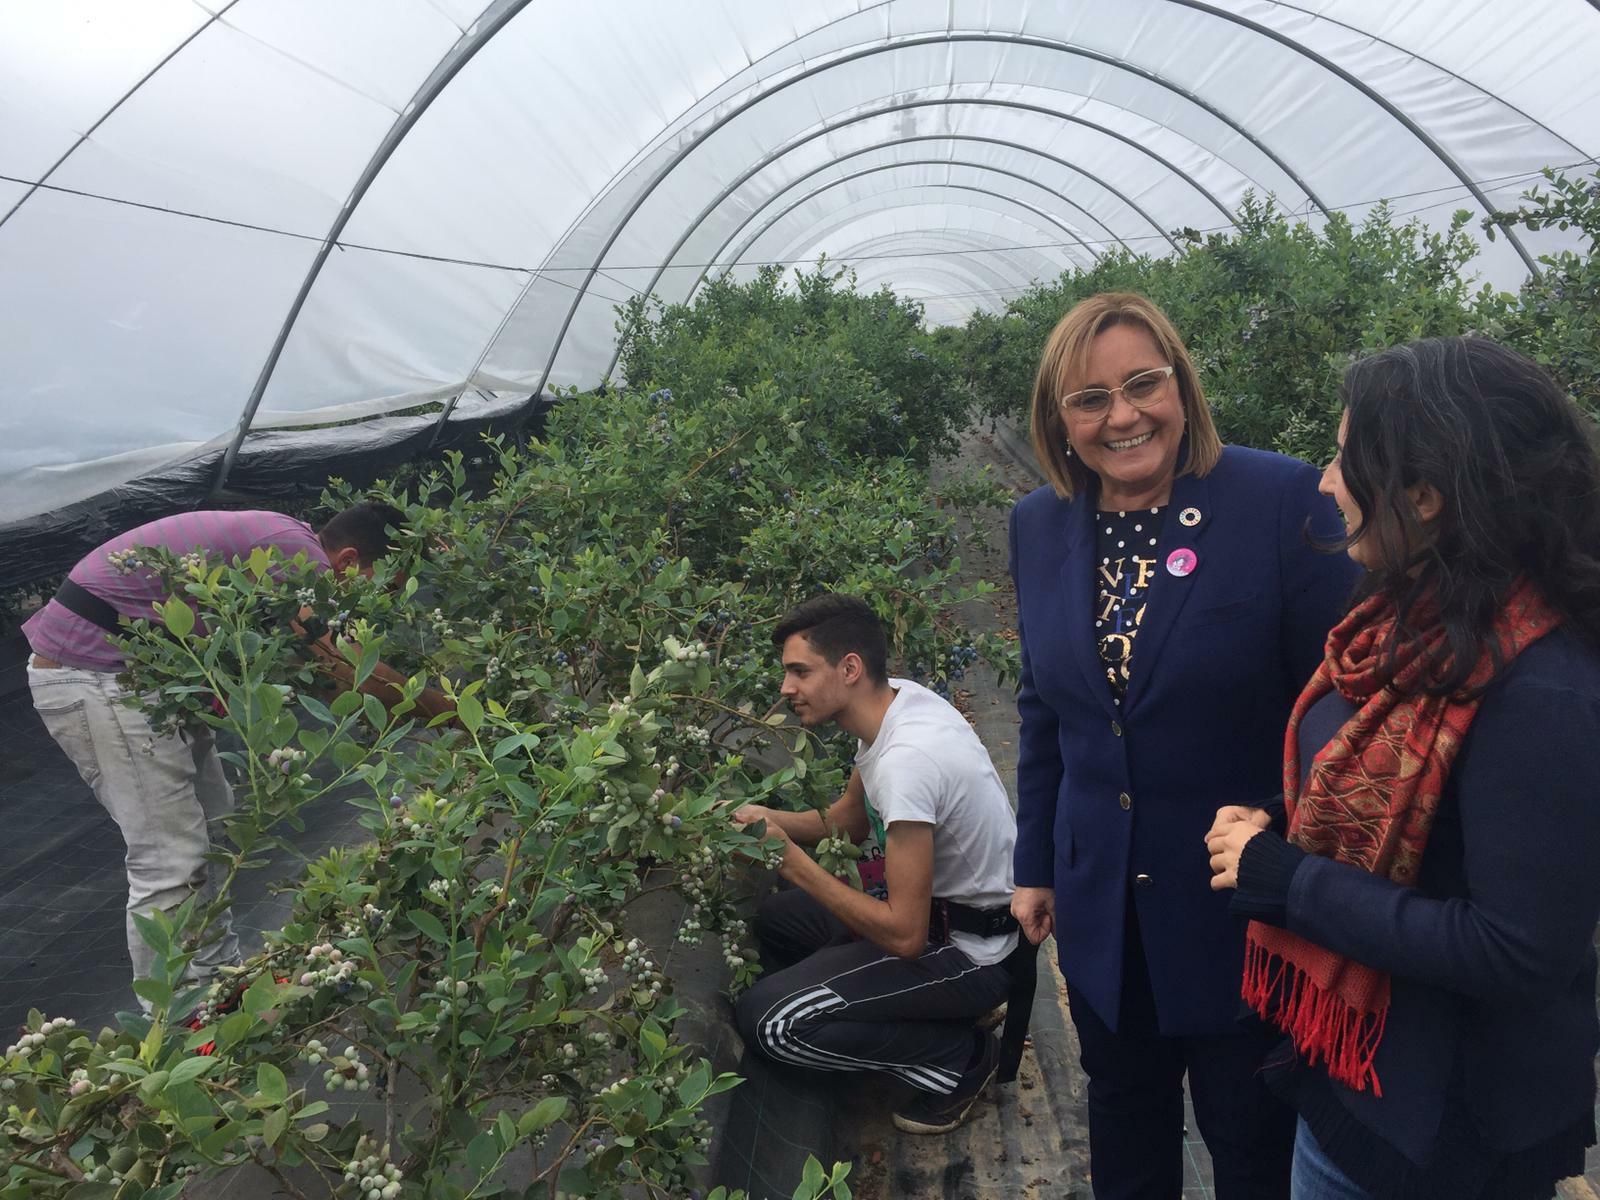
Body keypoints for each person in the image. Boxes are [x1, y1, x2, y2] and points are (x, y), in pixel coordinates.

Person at [1206, 336, 1600, 1200]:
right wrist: (1284, 813)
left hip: (1445, 1134)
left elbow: (1519, 950)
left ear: (1423, 497)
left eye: (1347, 459)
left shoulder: (1543, 688)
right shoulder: (1417, 615)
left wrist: (1291, 880)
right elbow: (1407, 793)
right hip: (1360, 1076)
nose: (1323, 480)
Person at [1008, 292, 1360, 1199]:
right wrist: (1036, 863)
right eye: (1090, 399)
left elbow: (1347, 703)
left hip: (1238, 898)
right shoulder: (1039, 525)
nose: (1122, 416)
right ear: (1061, 420)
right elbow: (1044, 707)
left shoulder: (1279, 500)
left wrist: (1283, 826)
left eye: (1141, 384)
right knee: (1124, 1111)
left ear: (1180, 384)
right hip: (1102, 900)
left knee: (1250, 1138)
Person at [21, 502, 452, 1003]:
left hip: (149, 684)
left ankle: (218, 979)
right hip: (97, 675)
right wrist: (453, 711)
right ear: (350, 560)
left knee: (214, 828)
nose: (382, 598)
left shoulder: (284, 544)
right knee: (169, 856)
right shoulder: (298, 556)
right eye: (385, 583)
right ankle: (176, 1018)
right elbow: (340, 669)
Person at [731, 593, 1019, 1135]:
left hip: (970, 951)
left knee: (771, 1022)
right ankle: (929, 1013)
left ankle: (955, 1057)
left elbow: (905, 937)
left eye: (799, 671)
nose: (785, 688)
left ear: (850, 668)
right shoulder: (898, 704)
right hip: (945, 916)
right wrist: (764, 819)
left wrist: (790, 863)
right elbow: (850, 823)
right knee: (778, 922)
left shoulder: (908, 761)